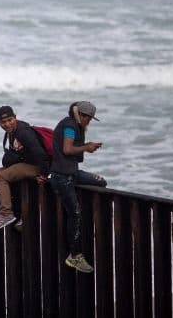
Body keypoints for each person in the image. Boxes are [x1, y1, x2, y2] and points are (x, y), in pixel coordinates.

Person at [49, 100, 107, 274]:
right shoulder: (69, 126)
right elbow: (67, 149)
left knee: (101, 182)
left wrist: (86, 146)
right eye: (88, 118)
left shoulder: (74, 126)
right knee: (74, 213)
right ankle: (74, 255)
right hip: (62, 177)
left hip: (72, 174)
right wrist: (86, 147)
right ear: (81, 115)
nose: (89, 121)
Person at [0, 105, 49, 231]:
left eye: (10, 120)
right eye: (3, 122)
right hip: (30, 164)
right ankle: (21, 217)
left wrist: (43, 175)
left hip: (38, 166)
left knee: (1, 177)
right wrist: (5, 167)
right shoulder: (12, 132)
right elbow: (18, 154)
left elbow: (40, 154)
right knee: (4, 173)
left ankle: (6, 213)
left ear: (15, 118)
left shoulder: (23, 132)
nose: (7, 124)